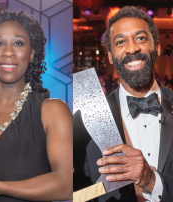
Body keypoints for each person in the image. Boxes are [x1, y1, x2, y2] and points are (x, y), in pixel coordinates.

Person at [0, 10, 73, 202]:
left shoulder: (53, 111)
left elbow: (65, 185)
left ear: (32, 54)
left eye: (18, 43)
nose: (8, 52)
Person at [74, 6, 173, 202]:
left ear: (158, 47)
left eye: (141, 38)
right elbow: (78, 193)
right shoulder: (87, 117)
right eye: (120, 42)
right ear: (110, 55)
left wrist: (153, 181)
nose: (132, 48)